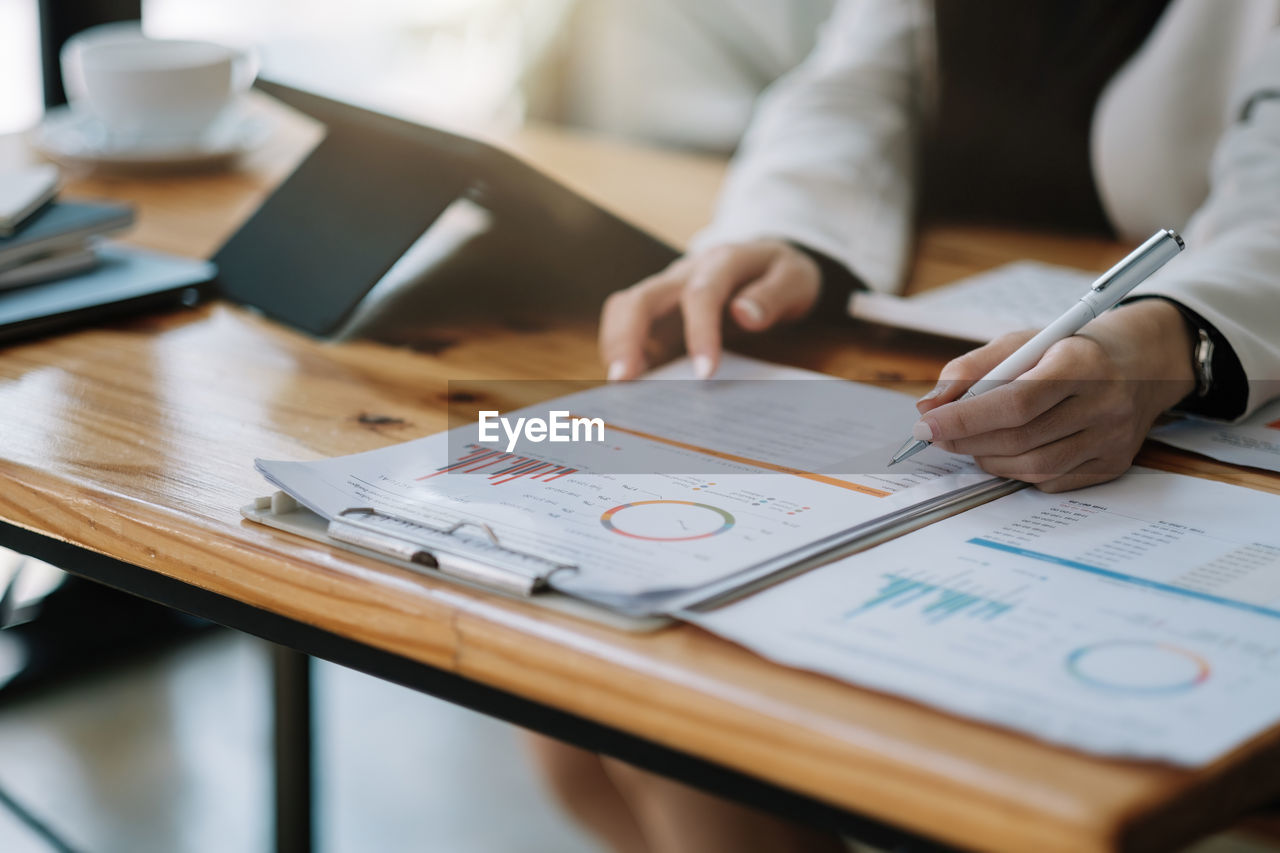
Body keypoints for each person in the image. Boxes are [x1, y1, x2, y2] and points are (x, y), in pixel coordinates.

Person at [534, 1, 1280, 851]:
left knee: (675, 733)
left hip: (1199, 388)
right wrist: (780, 233)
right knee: (573, 734)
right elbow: (850, 86)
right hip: (944, 331)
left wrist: (1162, 335)